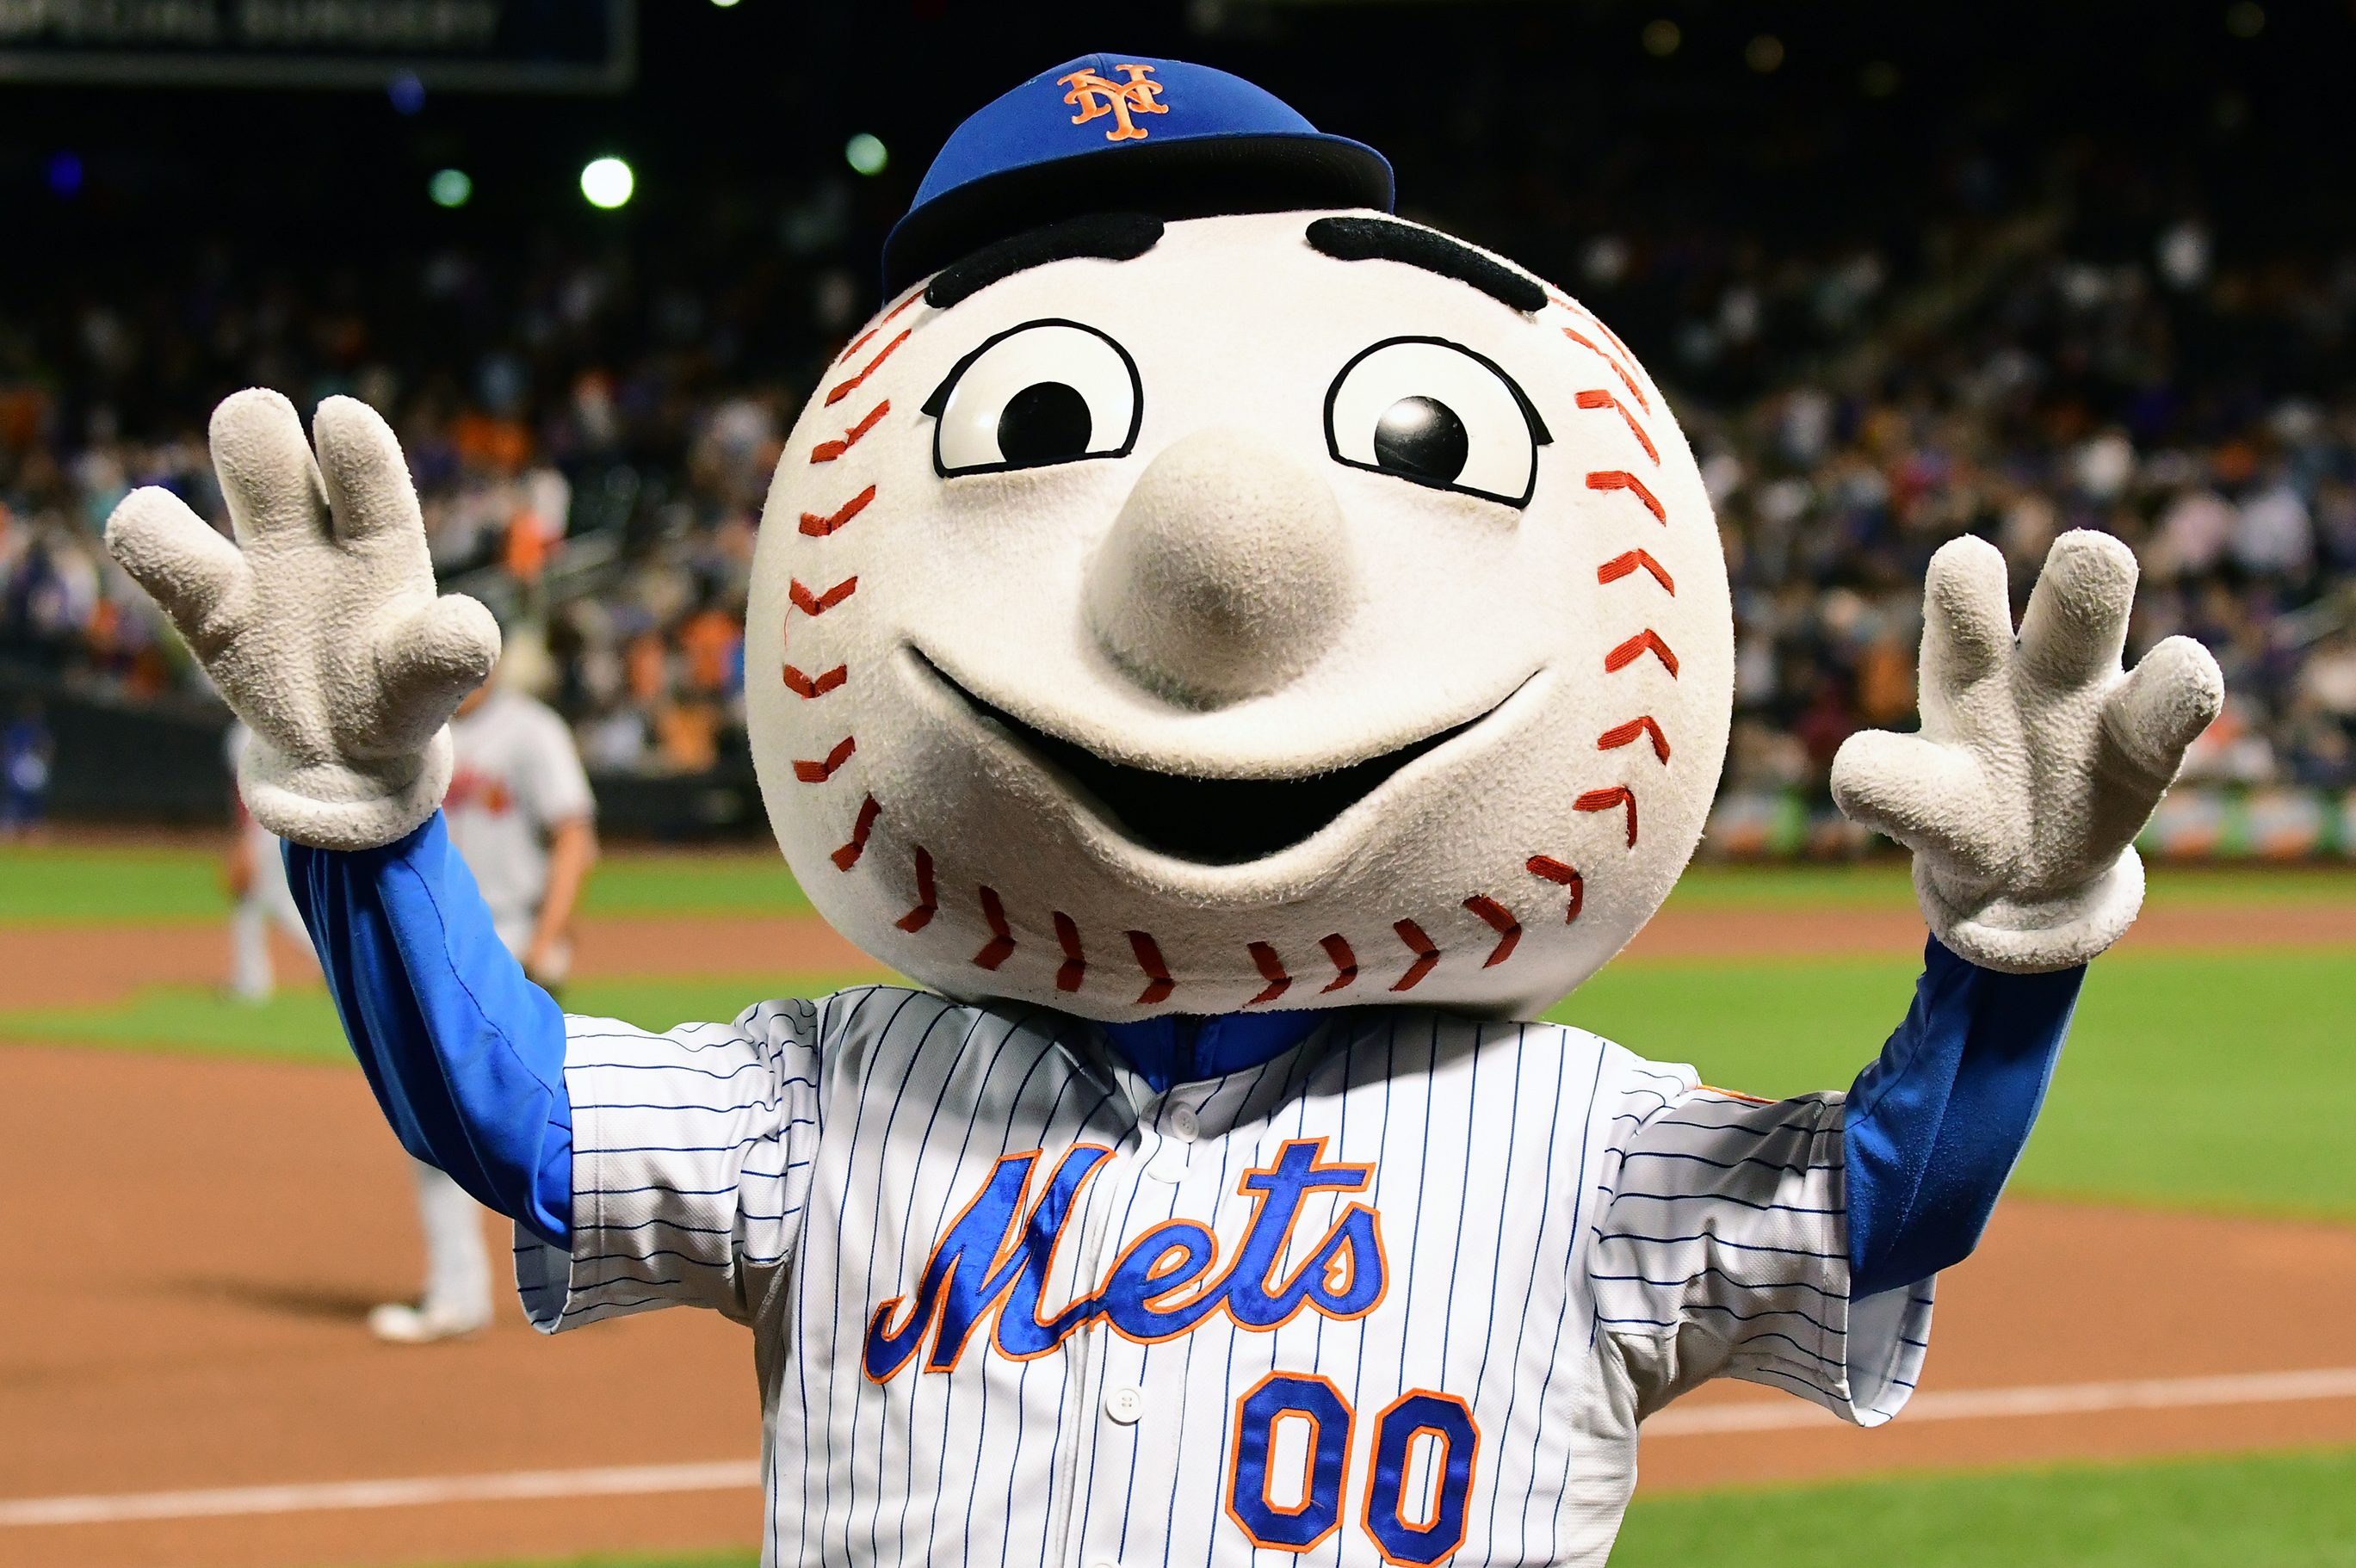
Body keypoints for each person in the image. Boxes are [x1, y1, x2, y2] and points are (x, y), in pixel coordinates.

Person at [108, 53, 2223, 1565]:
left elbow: (1882, 1210)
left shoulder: (1576, 1137)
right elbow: (513, 1110)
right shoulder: (822, 1095)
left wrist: (2003, 964)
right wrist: (364, 828)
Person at [364, 665, 597, 1344]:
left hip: (515, 940)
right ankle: (462, 1290)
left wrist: (546, 940)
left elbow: (574, 837)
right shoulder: (415, 734)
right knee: (434, 1119)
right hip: (441, 950)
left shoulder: (531, 731)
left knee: (535, 1122)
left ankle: (561, 1278)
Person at [224, 719, 315, 1003]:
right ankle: (251, 980)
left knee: (270, 902)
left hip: (264, 825)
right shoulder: (285, 724)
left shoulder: (246, 732)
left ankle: (252, 983)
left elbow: (245, 793)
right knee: (264, 902)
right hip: (290, 819)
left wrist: (244, 841)